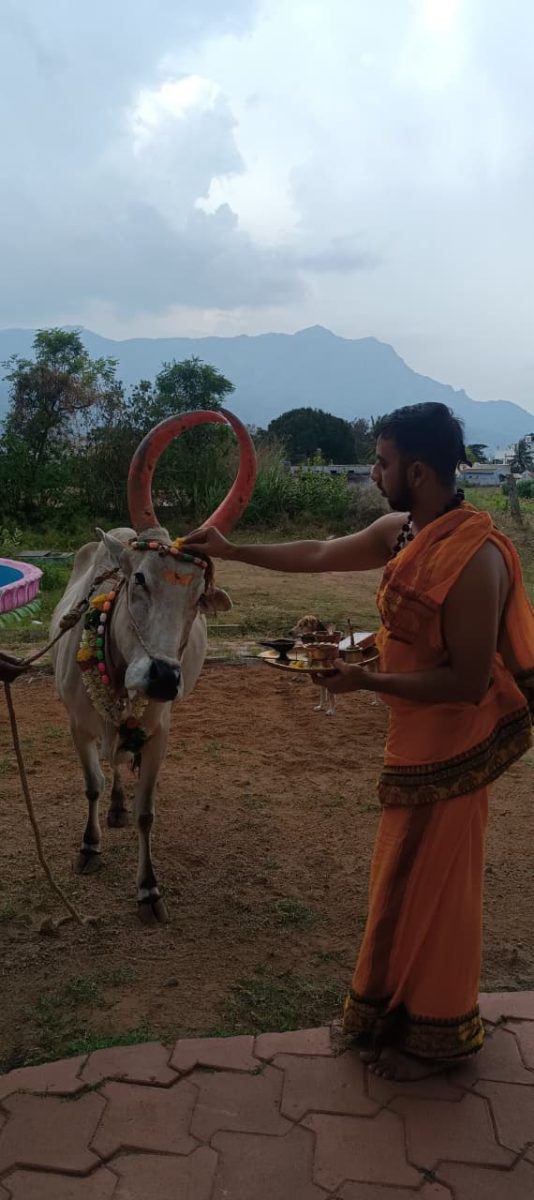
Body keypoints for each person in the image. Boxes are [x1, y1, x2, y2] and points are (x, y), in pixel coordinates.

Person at [184, 402, 534, 1081]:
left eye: (381, 462)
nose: (374, 473)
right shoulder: (402, 532)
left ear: (419, 471)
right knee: (401, 883)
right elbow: (318, 554)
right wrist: (230, 550)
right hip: (412, 742)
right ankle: (394, 1018)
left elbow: (466, 683)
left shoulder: (475, 560)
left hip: (452, 752)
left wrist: (366, 681)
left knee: (435, 893)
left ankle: (434, 1037)